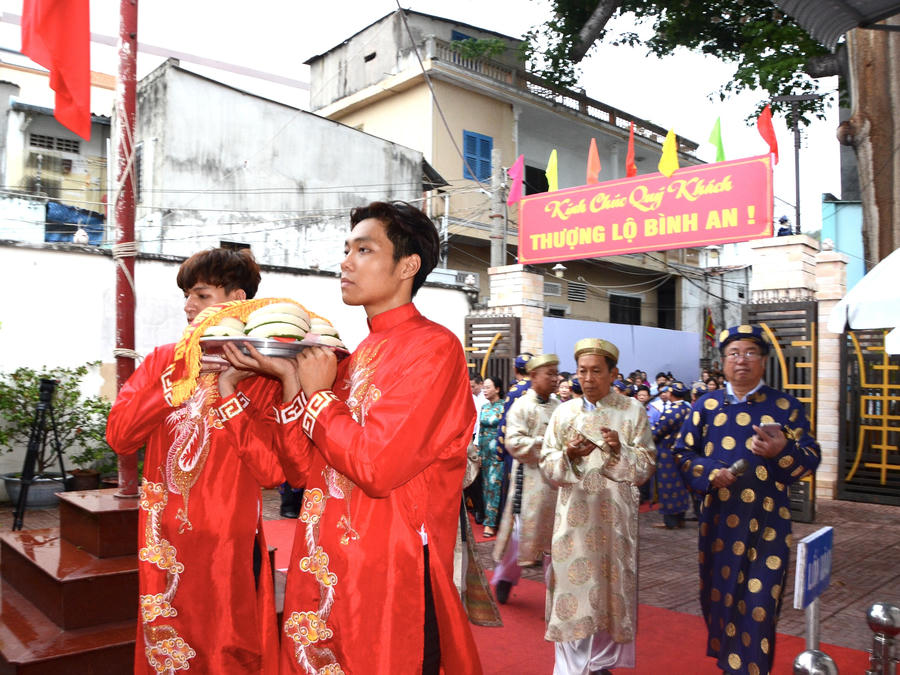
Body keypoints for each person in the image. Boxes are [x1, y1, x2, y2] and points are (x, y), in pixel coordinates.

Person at [223, 201, 482, 674]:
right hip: (326, 562)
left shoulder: (434, 348)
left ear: (407, 266)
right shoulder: (353, 355)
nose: (345, 262)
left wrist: (320, 398)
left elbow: (377, 468)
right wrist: (289, 383)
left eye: (363, 249)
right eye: (346, 249)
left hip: (390, 571)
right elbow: (302, 471)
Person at [106, 247, 282, 674]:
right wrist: (170, 390)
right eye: (187, 295)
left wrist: (229, 393)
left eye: (201, 295)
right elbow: (120, 438)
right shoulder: (163, 361)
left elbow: (273, 472)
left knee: (228, 648)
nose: (188, 306)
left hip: (228, 546)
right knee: (167, 645)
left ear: (236, 299)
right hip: (165, 543)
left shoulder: (264, 373)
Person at [674, 325, 821, 675]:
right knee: (719, 597)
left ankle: (748, 670)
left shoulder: (785, 406)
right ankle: (731, 664)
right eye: (734, 354)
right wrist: (710, 472)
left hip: (768, 525)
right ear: (723, 362)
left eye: (750, 353)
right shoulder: (705, 405)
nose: (742, 360)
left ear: (764, 361)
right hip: (719, 523)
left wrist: (782, 450)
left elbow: (810, 459)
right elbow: (681, 453)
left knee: (759, 604)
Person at [540, 338, 656, 675]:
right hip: (572, 523)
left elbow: (646, 466)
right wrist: (568, 456)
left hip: (614, 523)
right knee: (571, 596)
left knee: (609, 595)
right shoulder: (564, 412)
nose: (588, 379)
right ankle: (570, 670)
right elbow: (548, 464)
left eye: (596, 371)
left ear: (613, 373)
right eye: (582, 372)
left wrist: (620, 451)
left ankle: (599, 662)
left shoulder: (632, 411)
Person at [492, 354, 560, 605]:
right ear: (533, 377)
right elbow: (513, 442)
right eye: (549, 374)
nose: (555, 379)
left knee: (556, 539)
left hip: (556, 482)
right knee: (519, 536)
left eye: (556, 373)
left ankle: (557, 595)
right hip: (529, 481)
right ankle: (506, 578)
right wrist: (547, 445)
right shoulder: (521, 406)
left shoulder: (559, 406)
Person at [652, 381, 693, 529]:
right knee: (681, 486)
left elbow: (657, 433)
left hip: (666, 453)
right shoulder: (687, 409)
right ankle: (680, 518)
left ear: (671, 394)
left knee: (667, 487)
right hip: (681, 451)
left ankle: (670, 521)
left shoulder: (671, 411)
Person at [478, 376, 505, 537]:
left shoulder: (504, 407)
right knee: (486, 487)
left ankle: (490, 523)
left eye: (488, 387)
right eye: (484, 388)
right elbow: (481, 431)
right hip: (485, 452)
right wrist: (479, 454)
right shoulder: (484, 408)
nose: (485, 390)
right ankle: (490, 518)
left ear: (497, 389)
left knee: (495, 485)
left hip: (498, 452)